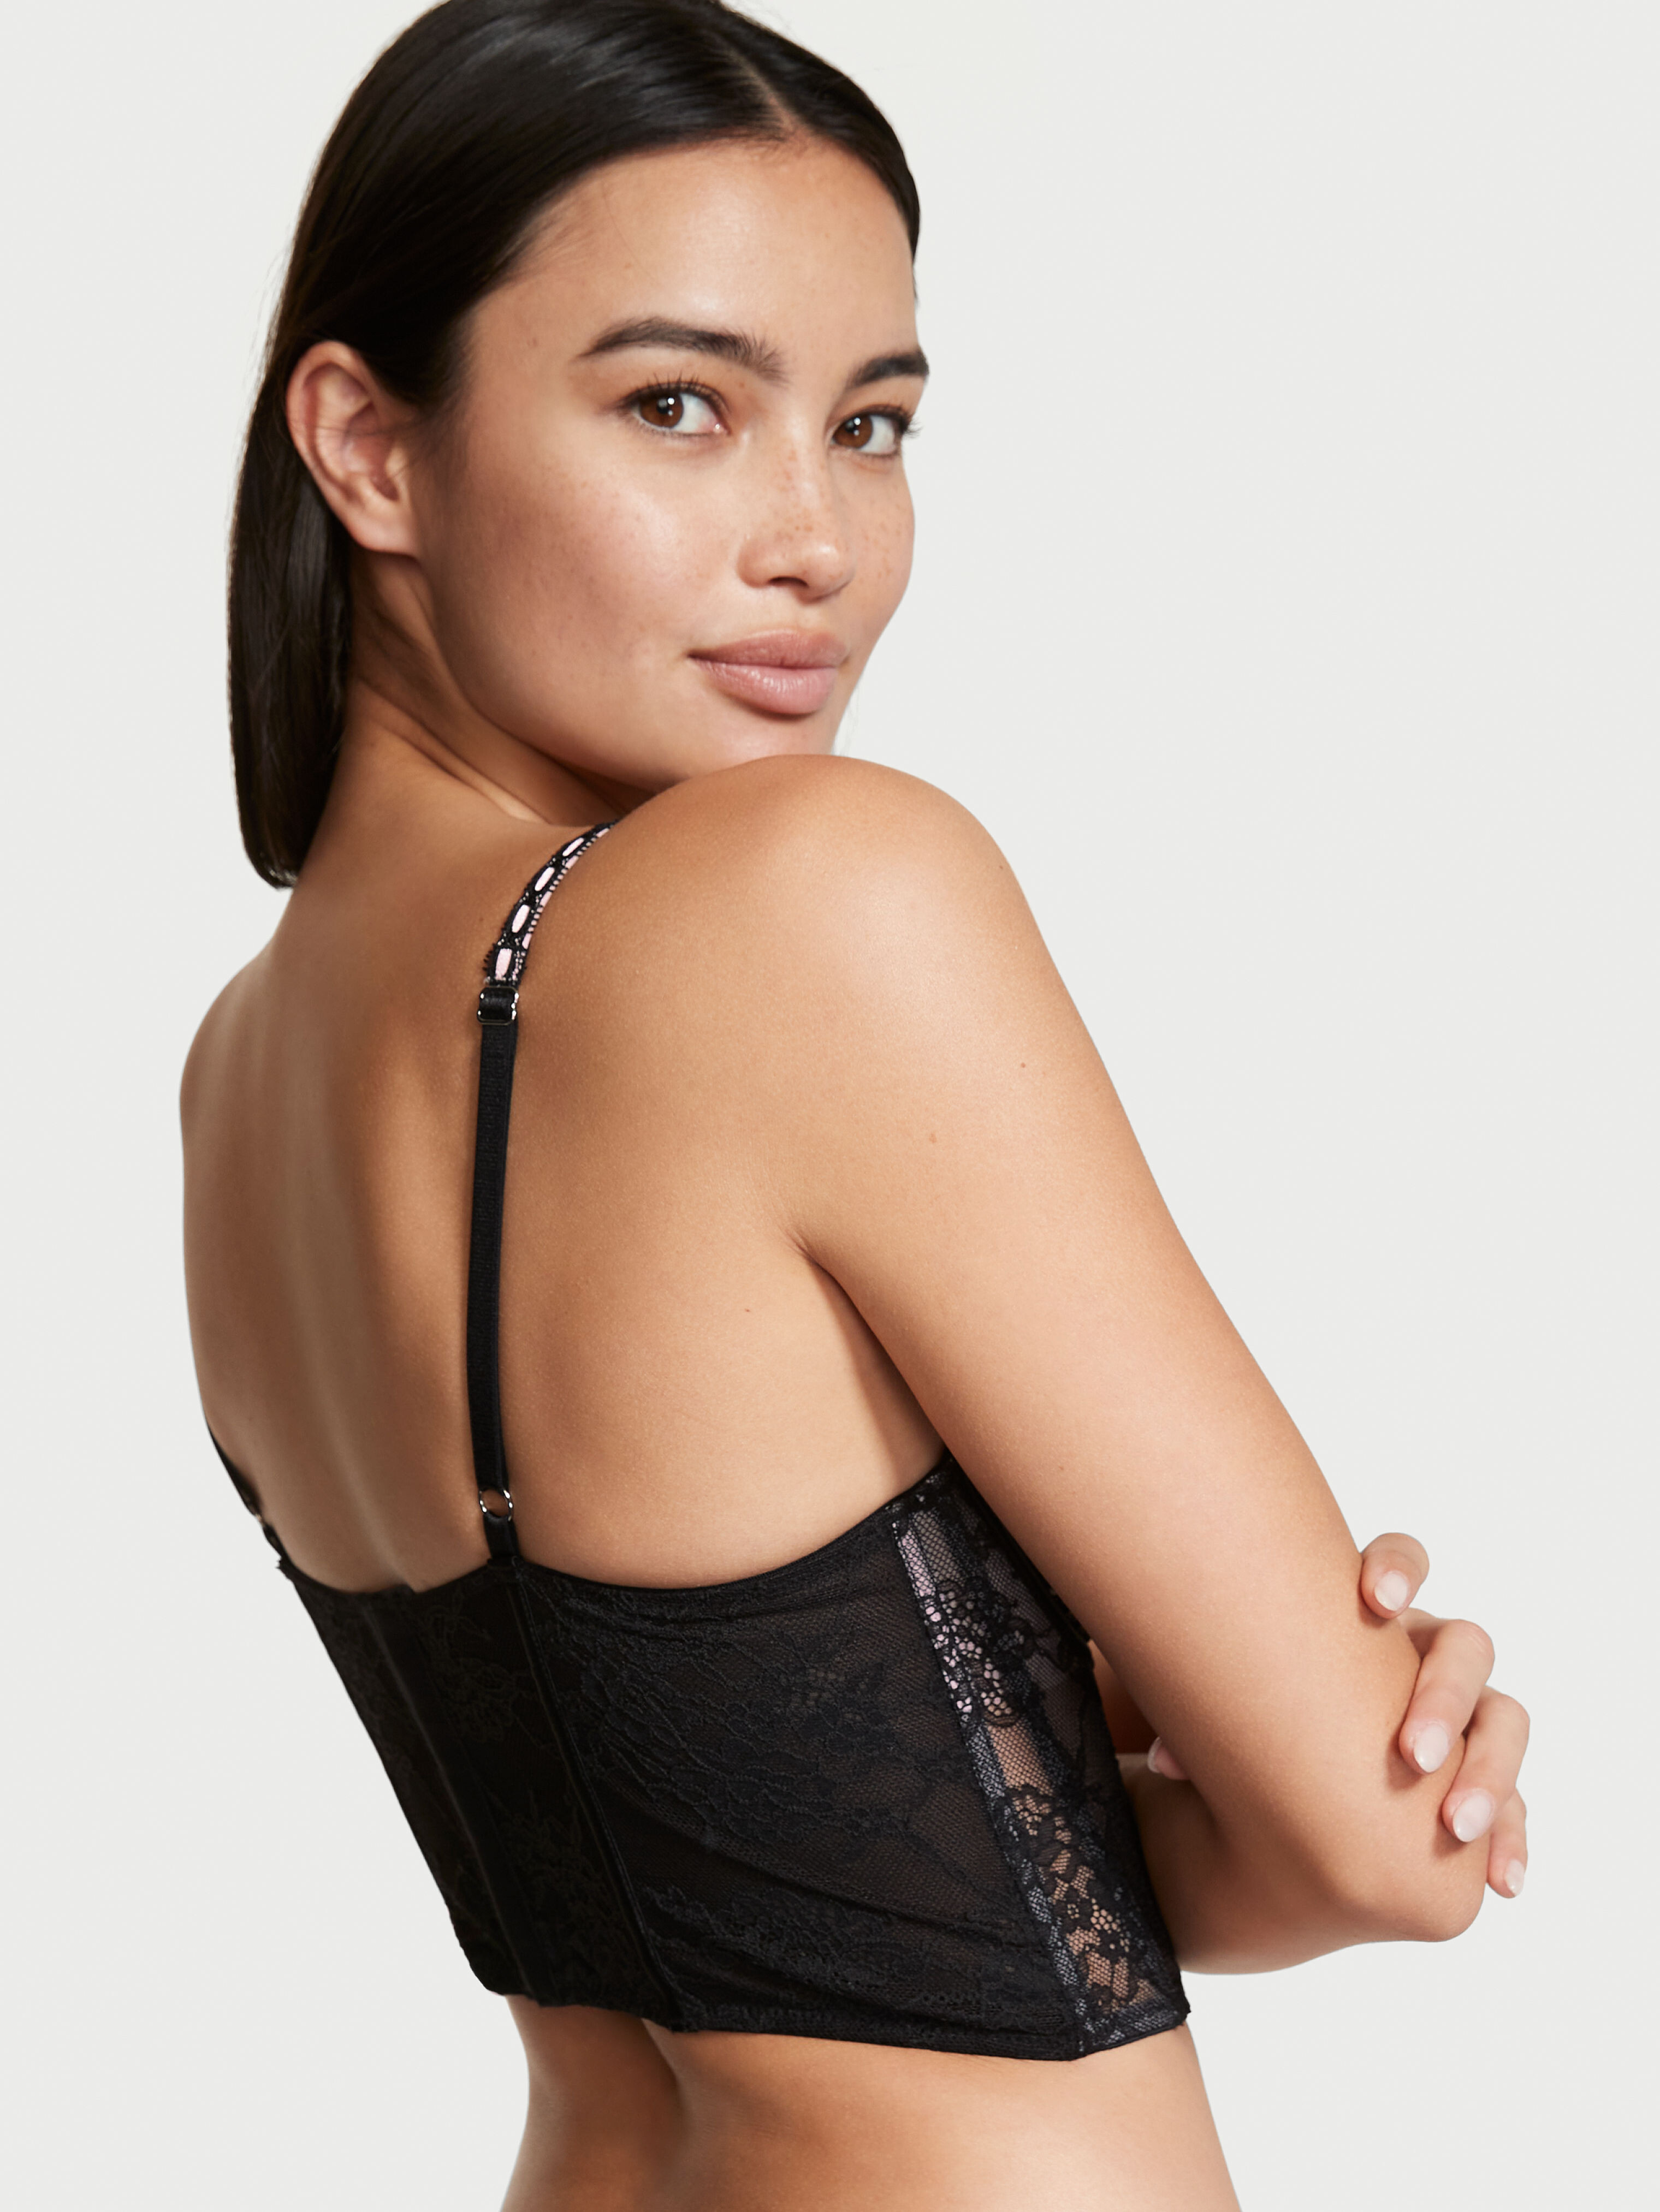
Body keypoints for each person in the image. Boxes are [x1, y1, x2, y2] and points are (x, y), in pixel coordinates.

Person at [181, 4, 1530, 2205]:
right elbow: (1387, 1846)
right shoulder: (808, 896)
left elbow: (733, 1901)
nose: (815, 538)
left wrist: (1080, 1767)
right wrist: (1289, 1754)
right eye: (678, 405)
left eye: (872, 422)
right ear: (369, 446)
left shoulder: (235, 1084)